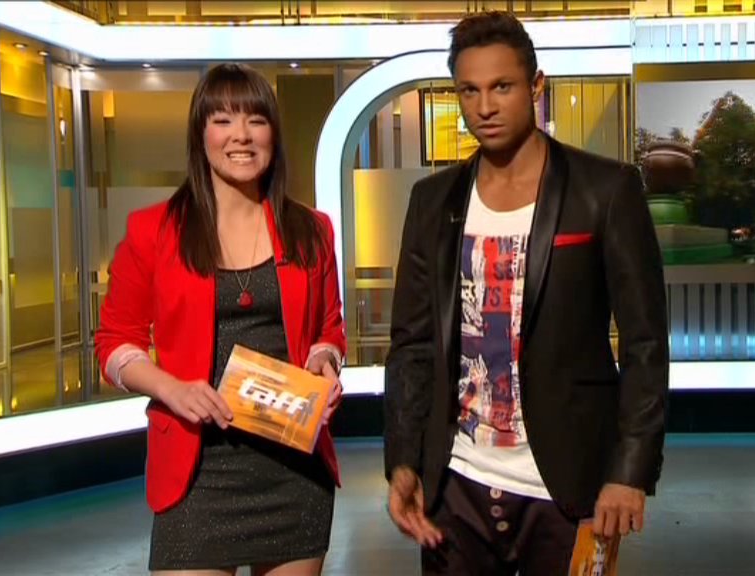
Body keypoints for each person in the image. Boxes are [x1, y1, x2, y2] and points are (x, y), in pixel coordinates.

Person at [383, 11, 670, 576]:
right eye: (469, 90)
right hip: (457, 483)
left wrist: (629, 471)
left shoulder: (605, 190)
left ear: (536, 86)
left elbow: (645, 344)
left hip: (568, 485)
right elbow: (412, 344)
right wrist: (404, 460)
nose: (484, 106)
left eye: (502, 87)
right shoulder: (432, 201)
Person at [94, 63, 346, 576]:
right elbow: (114, 344)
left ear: (273, 133)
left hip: (293, 468)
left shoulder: (312, 230)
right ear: (200, 133)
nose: (241, 136)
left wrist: (325, 362)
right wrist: (170, 388)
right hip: (196, 470)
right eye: (223, 120)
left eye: (256, 120)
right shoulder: (153, 231)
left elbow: (330, 330)